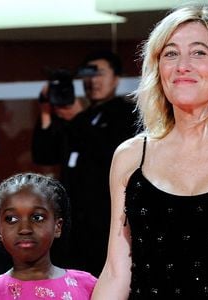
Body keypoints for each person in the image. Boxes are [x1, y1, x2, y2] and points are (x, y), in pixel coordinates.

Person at [92, 5, 208, 299]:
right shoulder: (130, 157)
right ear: (158, 69)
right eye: (170, 53)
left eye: (199, 52)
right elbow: (117, 271)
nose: (183, 65)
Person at [32, 50, 139, 276]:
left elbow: (112, 154)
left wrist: (79, 118)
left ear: (116, 78)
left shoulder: (127, 114)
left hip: (105, 221)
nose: (93, 81)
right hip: (72, 222)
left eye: (99, 74)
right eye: (88, 75)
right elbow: (44, 155)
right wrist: (45, 114)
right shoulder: (79, 116)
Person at [0, 172, 97, 300]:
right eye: (11, 219)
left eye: (37, 217)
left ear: (57, 226)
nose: (25, 229)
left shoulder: (87, 286)